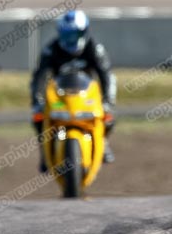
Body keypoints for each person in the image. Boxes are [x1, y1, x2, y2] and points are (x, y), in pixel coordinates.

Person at [30, 10, 116, 172]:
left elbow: (107, 75)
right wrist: (37, 101)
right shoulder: (51, 50)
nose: (71, 39)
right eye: (67, 35)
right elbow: (39, 78)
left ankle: (102, 142)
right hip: (60, 97)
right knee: (39, 118)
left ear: (84, 32)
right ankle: (45, 155)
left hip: (87, 97)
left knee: (108, 118)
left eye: (75, 34)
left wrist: (108, 101)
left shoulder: (94, 48)